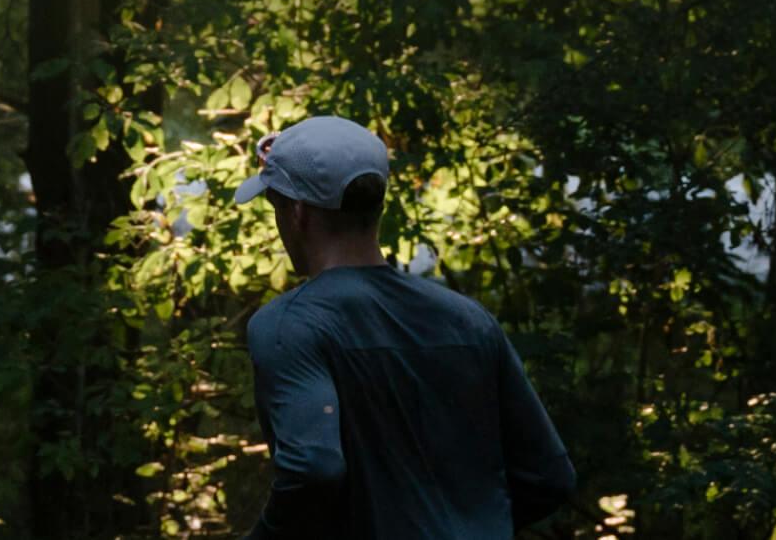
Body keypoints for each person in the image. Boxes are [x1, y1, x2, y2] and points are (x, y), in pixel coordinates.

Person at [232, 114, 577, 539]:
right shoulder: (468, 320)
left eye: (274, 206)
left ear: (298, 212)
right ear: (377, 205)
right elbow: (551, 476)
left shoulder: (288, 326)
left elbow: (314, 469)